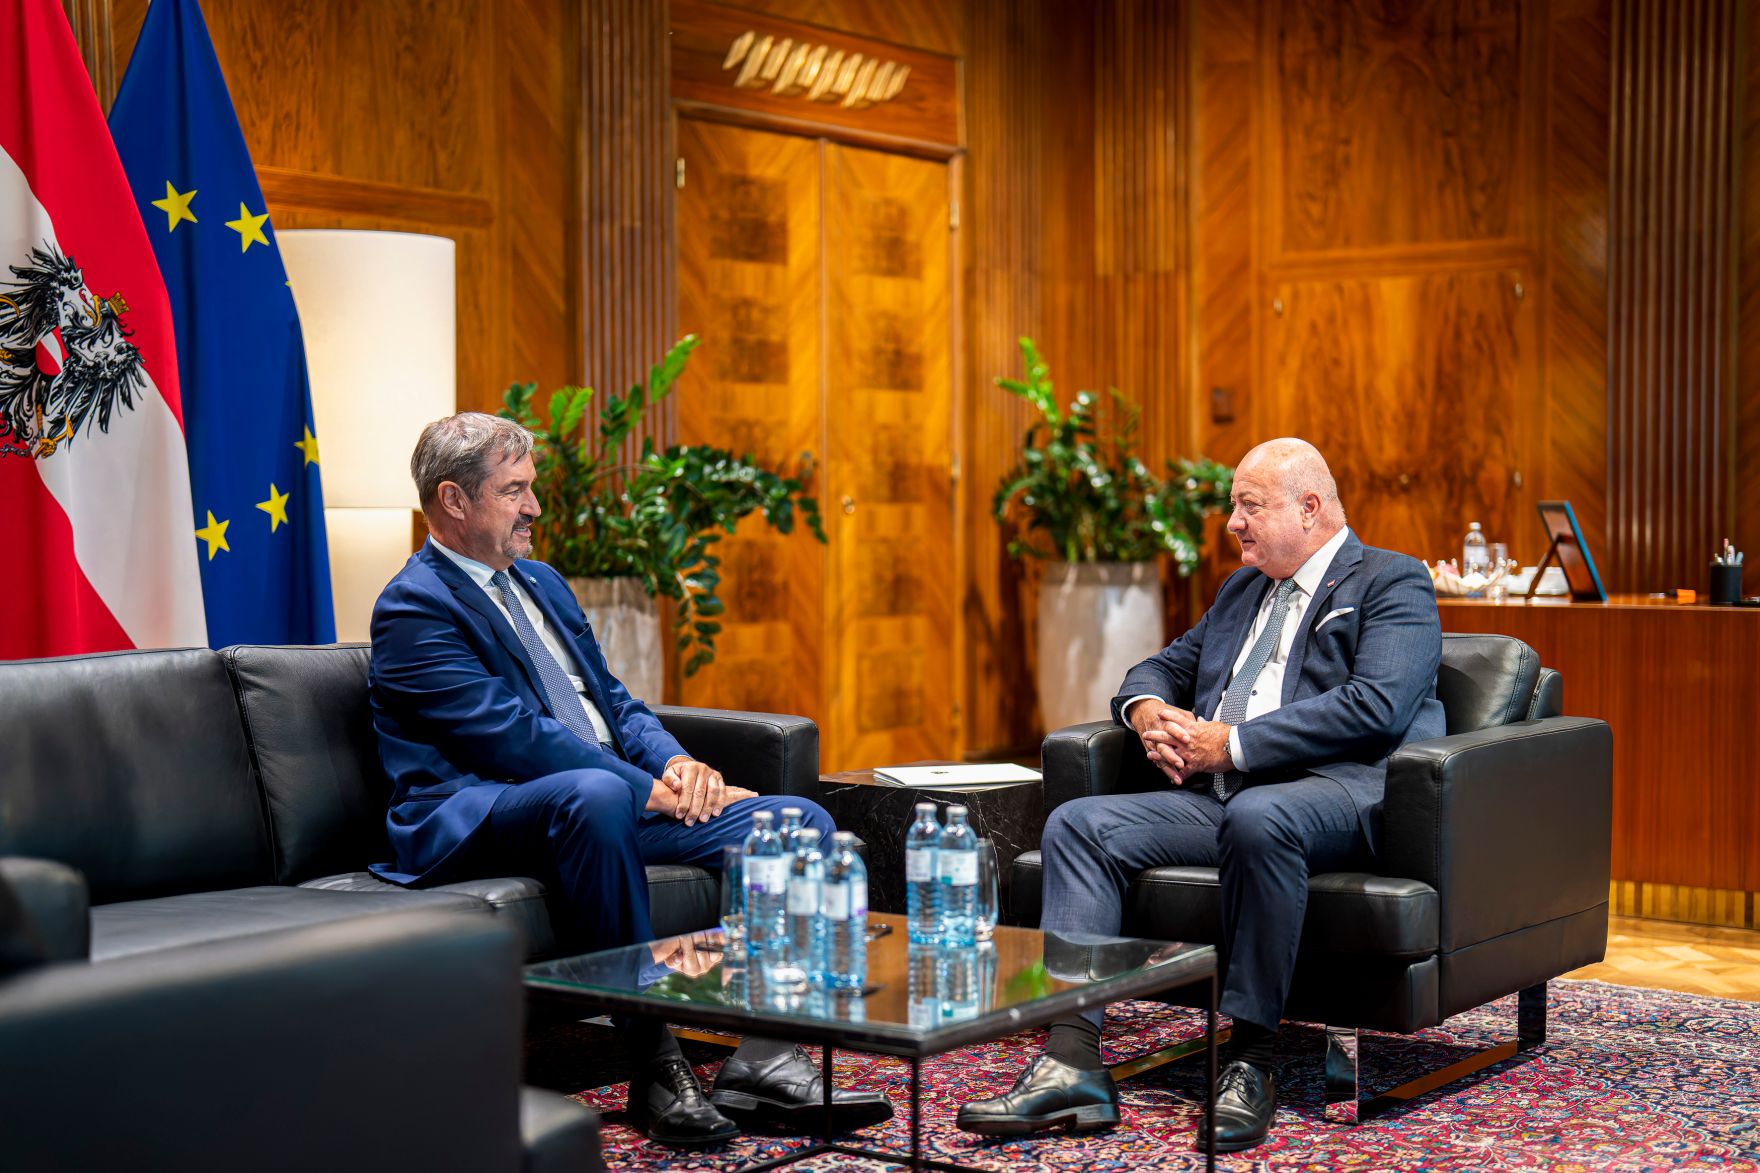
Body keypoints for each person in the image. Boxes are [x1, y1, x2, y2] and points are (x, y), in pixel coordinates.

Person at [369, 412, 890, 1148]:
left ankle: (766, 1055)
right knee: (599, 792)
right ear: (453, 499)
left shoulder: (541, 583)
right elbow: (512, 737)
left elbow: (613, 703)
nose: (534, 507)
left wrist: (676, 763)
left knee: (798, 823)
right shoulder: (414, 605)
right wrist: (651, 791)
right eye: (514, 491)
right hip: (482, 810)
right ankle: (654, 1062)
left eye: (532, 487)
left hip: (602, 801)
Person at [957, 438, 1443, 1153]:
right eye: (1233, 507)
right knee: (1077, 825)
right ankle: (1072, 1059)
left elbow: (1376, 705)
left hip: (1336, 792)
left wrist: (1232, 744)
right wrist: (1148, 711)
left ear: (1309, 508)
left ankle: (1251, 1057)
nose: (1232, 523)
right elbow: (1159, 666)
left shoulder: (1392, 581)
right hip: (1218, 796)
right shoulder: (1242, 590)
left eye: (1250, 506)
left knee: (1260, 815)